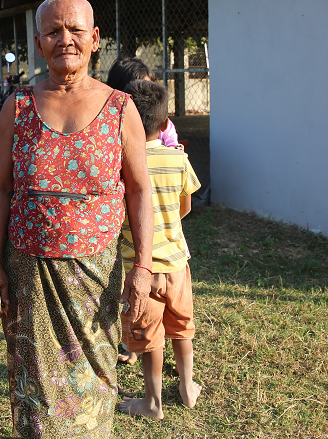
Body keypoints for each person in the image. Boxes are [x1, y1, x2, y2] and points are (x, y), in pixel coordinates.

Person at [0, 0, 154, 436]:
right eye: (53, 32)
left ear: (95, 40)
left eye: (75, 29)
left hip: (96, 276)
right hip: (30, 275)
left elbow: (139, 190)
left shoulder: (120, 108)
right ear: (39, 44)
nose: (65, 39)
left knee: (94, 383)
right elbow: (0, 189)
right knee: (35, 392)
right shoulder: (16, 108)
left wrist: (143, 267)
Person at [118, 79, 202, 419]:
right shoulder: (177, 159)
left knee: (149, 337)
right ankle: (187, 386)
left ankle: (152, 403)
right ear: (165, 123)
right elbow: (186, 208)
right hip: (177, 264)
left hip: (139, 269)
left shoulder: (121, 164)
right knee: (182, 327)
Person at [106, 57, 181, 150]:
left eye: (149, 87)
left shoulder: (161, 125)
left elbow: (174, 154)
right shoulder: (108, 125)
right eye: (136, 90)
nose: (145, 95)